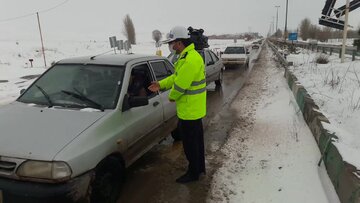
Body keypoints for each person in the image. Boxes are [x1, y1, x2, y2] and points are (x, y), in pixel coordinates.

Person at [148, 26, 206, 183]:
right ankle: (199, 168)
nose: (171, 46)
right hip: (192, 109)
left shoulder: (190, 59)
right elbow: (175, 77)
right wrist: (160, 84)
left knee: (190, 145)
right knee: (197, 142)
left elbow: (180, 85)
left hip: (190, 110)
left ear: (180, 43)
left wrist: (172, 97)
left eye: (172, 43)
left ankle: (193, 173)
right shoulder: (187, 56)